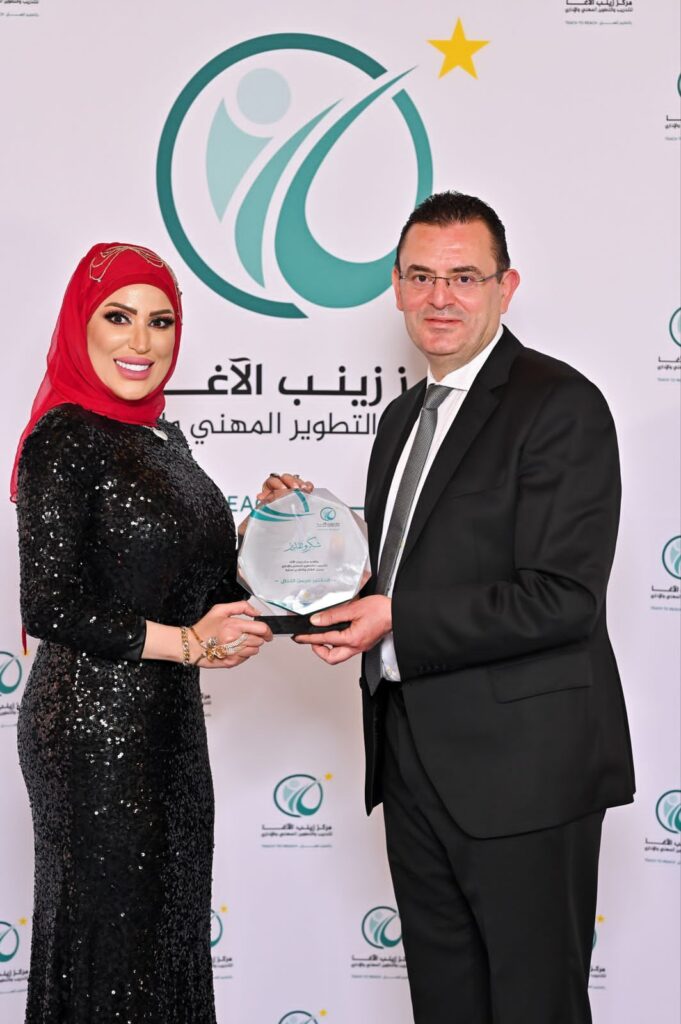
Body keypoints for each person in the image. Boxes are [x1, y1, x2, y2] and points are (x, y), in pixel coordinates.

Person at [294, 193, 635, 1024]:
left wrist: (395, 620)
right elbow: (407, 573)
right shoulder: (400, 420)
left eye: (463, 277)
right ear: (395, 286)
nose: (438, 297)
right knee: (444, 1005)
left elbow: (562, 598)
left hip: (524, 776)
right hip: (411, 764)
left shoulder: (559, 403)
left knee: (533, 1006)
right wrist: (303, 532)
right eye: (420, 276)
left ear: (504, 287)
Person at [12, 242, 307, 1023]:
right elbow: (50, 604)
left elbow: (204, 590)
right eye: (118, 318)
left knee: (166, 940)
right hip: (92, 731)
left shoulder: (160, 438)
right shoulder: (65, 436)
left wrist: (273, 529)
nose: (141, 342)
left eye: (161, 321)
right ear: (81, 325)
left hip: (167, 725)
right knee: (114, 950)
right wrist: (189, 645)